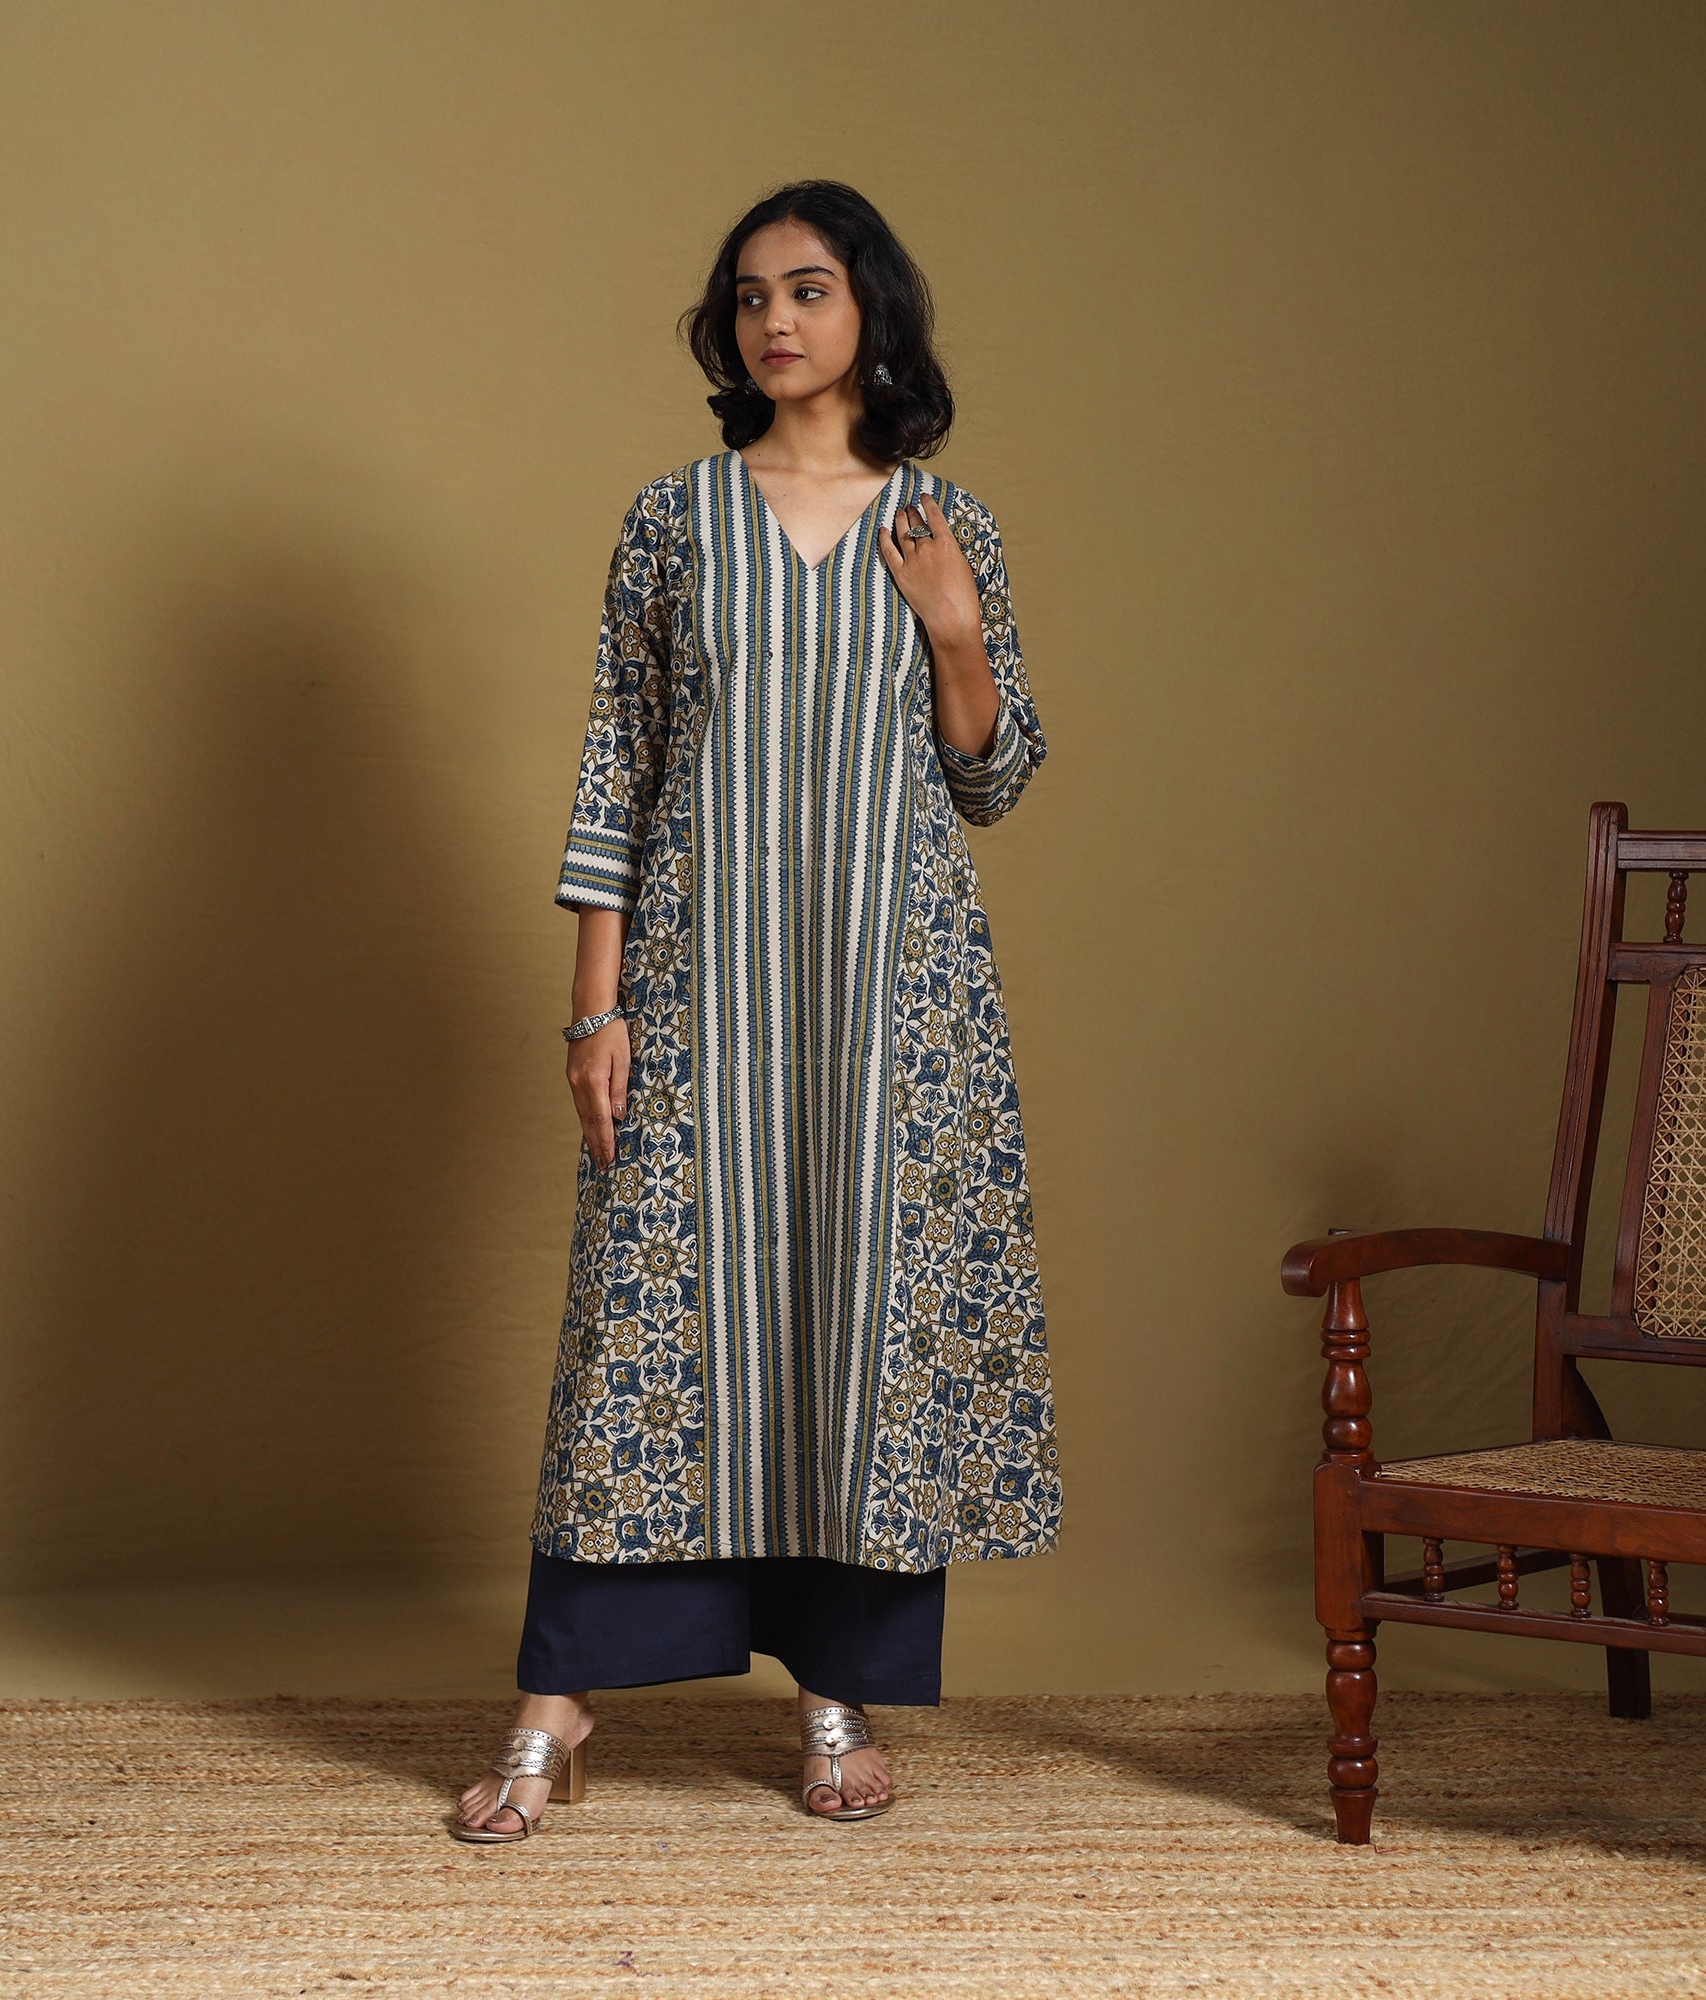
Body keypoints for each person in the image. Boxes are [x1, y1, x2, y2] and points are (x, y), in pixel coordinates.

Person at [453, 179, 1061, 1842]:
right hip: (698, 980)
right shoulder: (675, 520)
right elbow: (619, 760)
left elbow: (992, 778)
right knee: (650, 1321)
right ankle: (558, 1700)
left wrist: (956, 634)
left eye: (806, 289)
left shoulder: (942, 525)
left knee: (857, 1314)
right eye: (747, 298)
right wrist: (594, 1010)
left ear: (872, 311)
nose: (774, 321)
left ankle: (836, 1691)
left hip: (893, 992)